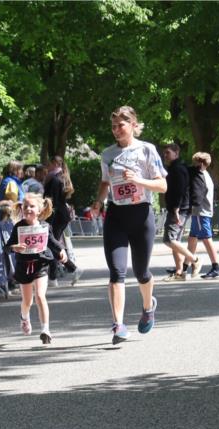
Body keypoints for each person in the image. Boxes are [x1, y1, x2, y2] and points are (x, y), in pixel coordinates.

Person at [90, 106, 168, 345]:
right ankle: (118, 325)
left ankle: (148, 305)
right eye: (113, 127)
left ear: (133, 125)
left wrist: (138, 180)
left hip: (142, 215)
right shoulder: (107, 154)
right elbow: (105, 182)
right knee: (117, 272)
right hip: (116, 216)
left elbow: (162, 186)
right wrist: (98, 203)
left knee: (142, 272)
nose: (116, 131)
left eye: (120, 126)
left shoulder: (147, 149)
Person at [5, 193, 66, 344]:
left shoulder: (45, 226)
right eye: (25, 206)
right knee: (27, 301)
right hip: (23, 267)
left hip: (40, 265)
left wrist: (61, 250)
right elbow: (6, 247)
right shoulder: (18, 227)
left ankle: (46, 330)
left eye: (32, 206)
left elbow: (52, 242)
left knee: (40, 296)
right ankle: (24, 317)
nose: (28, 209)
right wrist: (15, 247)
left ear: (39, 210)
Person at [160, 143, 199, 281]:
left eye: (168, 152)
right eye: (164, 153)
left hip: (179, 209)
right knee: (175, 240)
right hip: (180, 208)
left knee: (169, 239)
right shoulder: (174, 168)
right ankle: (180, 272)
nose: (165, 155)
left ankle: (195, 260)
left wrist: (176, 209)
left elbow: (179, 190)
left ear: (176, 153)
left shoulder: (177, 169)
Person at [44, 156, 81, 285]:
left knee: (52, 243)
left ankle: (70, 269)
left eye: (50, 163)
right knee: (52, 244)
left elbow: (51, 201)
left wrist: (45, 216)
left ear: (55, 163)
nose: (47, 166)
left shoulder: (54, 179)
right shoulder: (62, 177)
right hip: (61, 215)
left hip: (56, 215)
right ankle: (53, 277)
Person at [188, 152, 219, 279]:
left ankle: (216, 267)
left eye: (195, 163)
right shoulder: (206, 175)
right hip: (202, 212)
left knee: (207, 238)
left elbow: (197, 195)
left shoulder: (200, 176)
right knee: (192, 238)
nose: (193, 165)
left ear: (201, 164)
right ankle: (184, 267)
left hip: (200, 212)